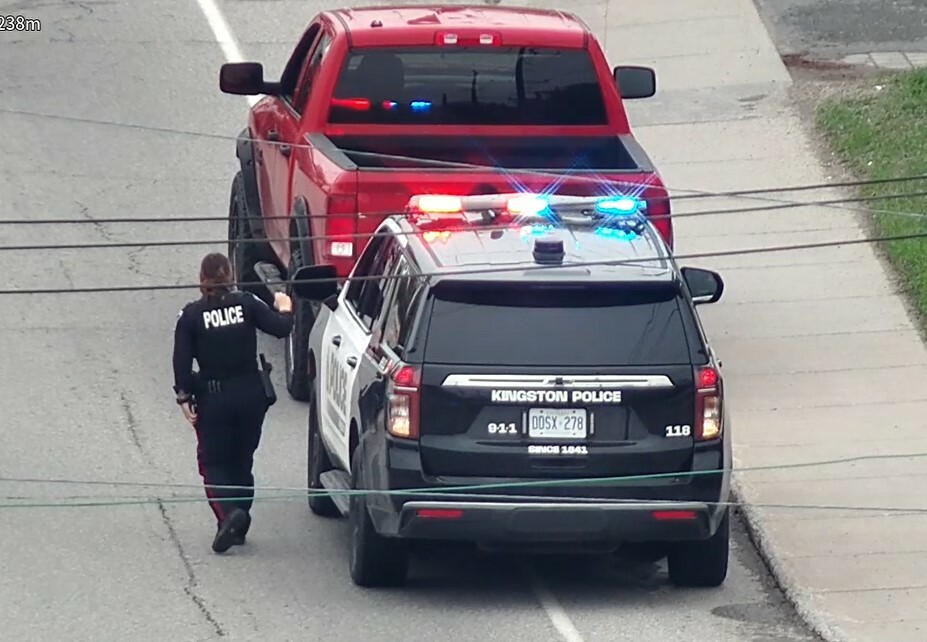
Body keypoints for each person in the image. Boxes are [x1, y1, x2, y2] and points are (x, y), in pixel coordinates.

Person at [172, 252, 294, 553]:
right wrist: (286, 307)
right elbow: (281, 328)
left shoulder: (191, 316)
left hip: (214, 398)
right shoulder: (247, 304)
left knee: (213, 462)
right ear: (230, 276)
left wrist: (184, 397)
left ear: (202, 281)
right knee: (242, 458)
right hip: (251, 395)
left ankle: (229, 515)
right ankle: (240, 519)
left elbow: (181, 363)